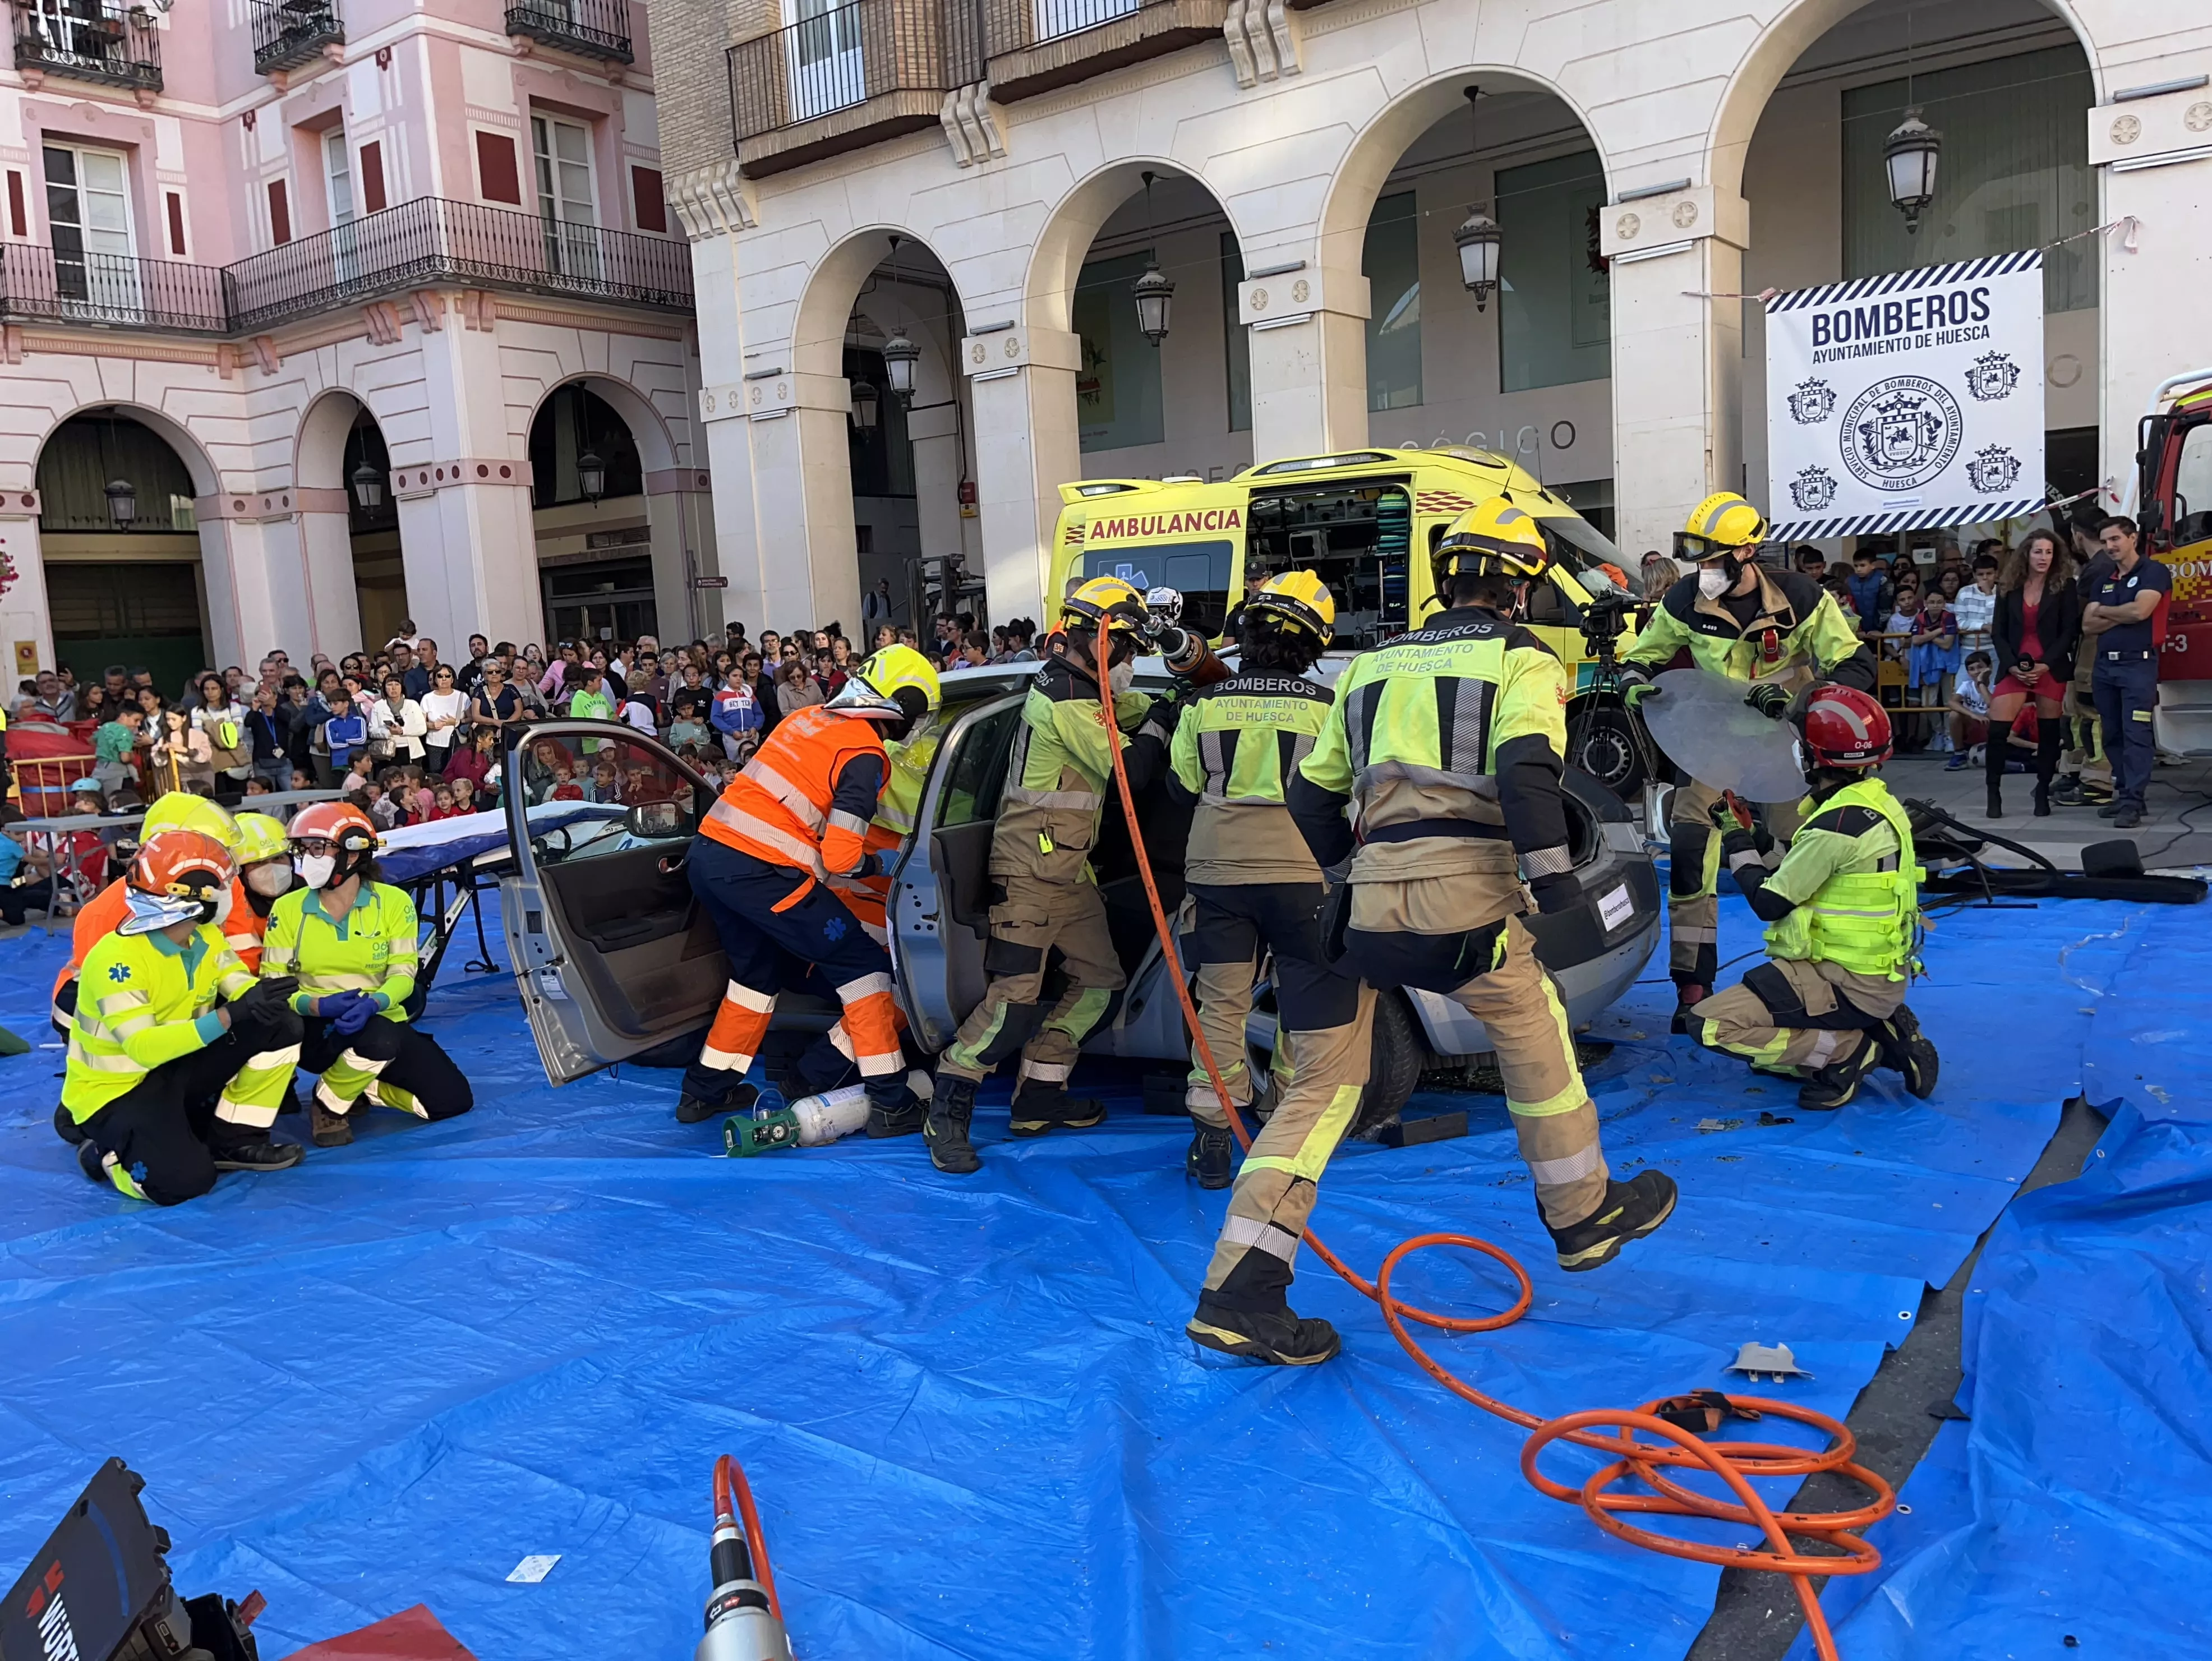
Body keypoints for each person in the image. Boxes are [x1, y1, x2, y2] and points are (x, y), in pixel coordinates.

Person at [1286, 497, 1676, 1312]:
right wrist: (1556, 882)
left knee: (1318, 1090)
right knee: (1533, 1026)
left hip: (1368, 906)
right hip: (1466, 901)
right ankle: (1581, 1210)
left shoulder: (1370, 664)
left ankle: (1249, 1271)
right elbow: (1529, 772)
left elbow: (1309, 793)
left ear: (1447, 579)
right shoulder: (1523, 658)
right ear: (1521, 586)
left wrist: (1341, 874)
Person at [1164, 571, 1377, 1362]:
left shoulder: (1202, 704)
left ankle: (1214, 1137)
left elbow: (1185, 781)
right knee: (1305, 1003)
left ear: (1247, 632)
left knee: (1219, 1002)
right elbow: (1347, 793)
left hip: (1218, 870)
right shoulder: (1328, 707)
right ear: (1315, 644)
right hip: (1304, 876)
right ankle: (1291, 1118)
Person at [926, 577, 1179, 1174]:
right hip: (1028, 877)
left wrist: (1171, 700)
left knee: (1099, 983)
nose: (1131, 661)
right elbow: (1132, 771)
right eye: (1128, 648)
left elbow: (1130, 708)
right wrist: (1166, 724)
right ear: (1101, 641)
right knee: (1013, 1002)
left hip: (1069, 875)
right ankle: (949, 1104)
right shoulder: (1063, 698)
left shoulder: (1082, 688)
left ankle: (1040, 1094)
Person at [1617, 493, 1877, 1029]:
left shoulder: (1803, 598)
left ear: (1748, 551)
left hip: (1785, 748)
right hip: (1710, 747)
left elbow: (1855, 662)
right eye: (1700, 561)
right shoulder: (1686, 600)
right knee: (1691, 856)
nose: (1704, 571)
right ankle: (1693, 984)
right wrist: (1635, 682)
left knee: (1801, 856)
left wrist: (1803, 705)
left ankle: (1813, 976)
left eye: (1714, 559)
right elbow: (1645, 654)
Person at [674, 645, 941, 1134]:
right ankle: (889, 1100)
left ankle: (704, 1091)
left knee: (755, 978)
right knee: (866, 973)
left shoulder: (805, 719)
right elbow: (841, 857)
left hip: (709, 857)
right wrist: (884, 861)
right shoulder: (865, 753)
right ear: (902, 704)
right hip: (764, 872)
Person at [1688, 685, 1940, 1110]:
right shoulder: (1871, 803)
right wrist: (1758, 835)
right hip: (1871, 973)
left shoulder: (1834, 825)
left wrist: (1733, 837)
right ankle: (1876, 1026)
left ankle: (1848, 1050)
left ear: (1814, 755)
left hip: (1845, 982)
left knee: (1710, 1026)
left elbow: (1770, 900)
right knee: (1771, 1052)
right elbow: (1805, 870)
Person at [60, 829, 305, 1202]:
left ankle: (236, 1140)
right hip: (117, 1091)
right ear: (196, 896)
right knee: (183, 1183)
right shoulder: (117, 958)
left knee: (281, 1025)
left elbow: (233, 977)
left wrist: (258, 996)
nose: (230, 893)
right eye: (222, 886)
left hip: (176, 1068)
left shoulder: (204, 937)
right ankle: (106, 1155)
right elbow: (143, 1048)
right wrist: (228, 1017)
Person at [263, 801, 472, 1145]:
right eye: (302, 849)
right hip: (318, 1027)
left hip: (379, 1018)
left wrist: (376, 1003)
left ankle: (355, 1088)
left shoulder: (393, 902)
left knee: (452, 1101)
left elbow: (405, 973)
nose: (306, 858)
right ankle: (328, 1108)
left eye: (317, 848)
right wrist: (316, 1006)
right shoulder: (287, 909)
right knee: (379, 1039)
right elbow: (274, 982)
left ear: (352, 852)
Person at [2079, 515, 2169, 830]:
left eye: (2116, 539)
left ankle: (2133, 802)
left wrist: (2105, 611)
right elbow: (2088, 625)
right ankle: (2126, 793)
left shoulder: (2153, 571)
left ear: (2133, 538)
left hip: (2137, 665)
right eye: (2105, 542)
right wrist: (2120, 613)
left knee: (2136, 734)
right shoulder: (2105, 579)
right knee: (2113, 734)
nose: (2110, 547)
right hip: (2105, 666)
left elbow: (2141, 611)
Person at [1987, 528, 2081, 819]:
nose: (2044, 557)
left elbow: (2070, 631)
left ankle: (2042, 791)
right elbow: (1998, 632)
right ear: (2026, 553)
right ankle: (1994, 793)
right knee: (1997, 732)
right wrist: (2012, 665)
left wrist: (2046, 665)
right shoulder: (2009, 586)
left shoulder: (2065, 586)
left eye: (2049, 552)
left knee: (2049, 732)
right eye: (2038, 551)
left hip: (2050, 664)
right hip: (2014, 664)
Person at [370, 674, 427, 768]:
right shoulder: (378, 706)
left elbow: (422, 729)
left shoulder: (412, 704)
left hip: (411, 751)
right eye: (390, 685)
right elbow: (372, 730)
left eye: (397, 684)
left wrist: (402, 731)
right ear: (384, 688)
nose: (393, 688)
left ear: (402, 687)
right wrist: (388, 732)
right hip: (387, 751)